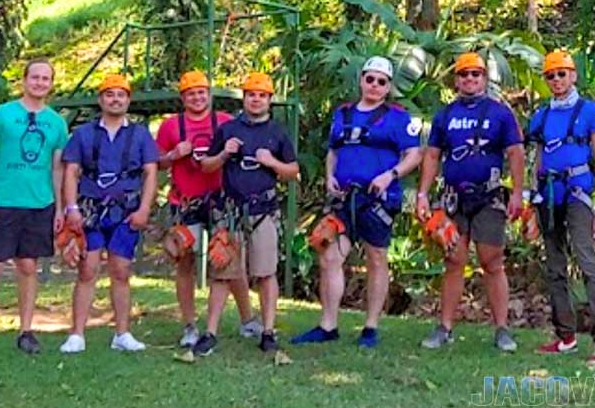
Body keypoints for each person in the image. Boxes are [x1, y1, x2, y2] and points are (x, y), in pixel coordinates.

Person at [291, 56, 423, 348]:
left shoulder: (398, 117)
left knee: (376, 258)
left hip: (378, 199)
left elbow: (414, 155)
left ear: (388, 87)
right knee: (329, 256)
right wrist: (329, 177)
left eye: (382, 81)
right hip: (344, 198)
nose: (375, 85)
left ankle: (371, 326)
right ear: (362, 79)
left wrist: (390, 175)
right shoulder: (343, 114)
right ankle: (328, 324)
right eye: (370, 79)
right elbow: (333, 152)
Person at [0, 58, 69, 362]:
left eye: (46, 79)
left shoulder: (57, 122)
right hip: (4, 202)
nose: (40, 83)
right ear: (24, 80)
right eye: (35, 77)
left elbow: (58, 169)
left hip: (39, 204)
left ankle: (26, 331)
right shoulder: (2, 115)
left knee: (28, 266)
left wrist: (59, 208)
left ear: (51, 84)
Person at [416, 52, 524, 352]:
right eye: (464, 74)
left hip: (489, 197)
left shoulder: (500, 114)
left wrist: (517, 192)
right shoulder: (445, 115)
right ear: (456, 80)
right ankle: (445, 327)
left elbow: (515, 153)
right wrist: (423, 194)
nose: (470, 79)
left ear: (484, 78)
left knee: (492, 260)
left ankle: (502, 329)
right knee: (453, 260)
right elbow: (433, 155)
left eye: (476, 74)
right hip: (454, 198)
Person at [192, 72, 299, 355]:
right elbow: (206, 166)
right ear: (245, 97)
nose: (256, 99)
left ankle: (268, 330)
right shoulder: (228, 129)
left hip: (263, 210)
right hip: (231, 212)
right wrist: (224, 154)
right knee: (221, 273)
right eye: (251, 94)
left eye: (261, 95)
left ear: (269, 100)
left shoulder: (277, 132)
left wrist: (272, 162)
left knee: (266, 273)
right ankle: (210, 332)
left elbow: (293, 171)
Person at [155, 70, 262, 348]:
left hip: (220, 200)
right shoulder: (171, 126)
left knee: (228, 258)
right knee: (184, 261)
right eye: (191, 93)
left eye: (202, 92)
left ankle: (248, 319)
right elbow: (156, 162)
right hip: (186, 201)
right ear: (183, 98)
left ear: (209, 95)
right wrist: (173, 155)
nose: (197, 97)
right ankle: (189, 325)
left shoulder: (224, 122)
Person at [59, 74, 158, 353]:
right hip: (90, 209)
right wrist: (71, 208)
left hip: (126, 212)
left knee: (121, 270)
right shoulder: (83, 134)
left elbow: (150, 172)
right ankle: (77, 334)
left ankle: (122, 333)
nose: (116, 99)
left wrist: (144, 209)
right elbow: (71, 171)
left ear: (128, 100)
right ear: (101, 99)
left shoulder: (139, 134)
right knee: (87, 269)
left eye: (121, 95)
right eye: (110, 94)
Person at [527, 50, 595, 366]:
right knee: (554, 267)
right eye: (550, 75)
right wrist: (532, 203)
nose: (556, 80)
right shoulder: (541, 116)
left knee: (588, 262)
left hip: (578, 194)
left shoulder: (588, 111)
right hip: (550, 195)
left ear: (573, 75)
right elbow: (537, 162)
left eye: (562, 74)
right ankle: (566, 336)